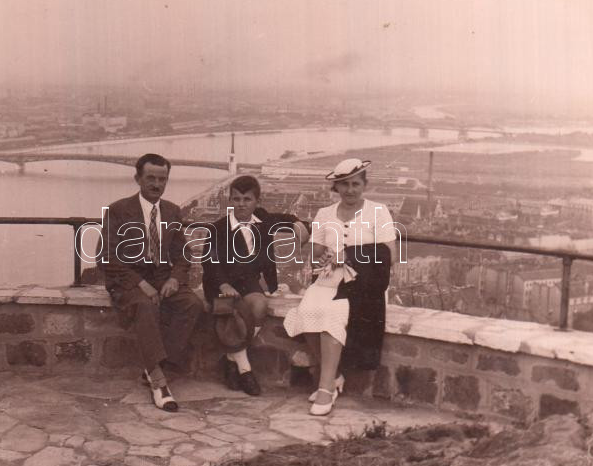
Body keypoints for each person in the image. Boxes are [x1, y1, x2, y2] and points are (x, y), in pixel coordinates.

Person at [283, 158, 397, 416]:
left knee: (332, 314)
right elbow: (314, 256)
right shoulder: (324, 214)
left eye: (356, 184)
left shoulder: (378, 211)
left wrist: (350, 256)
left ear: (365, 185)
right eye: (344, 185)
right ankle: (335, 378)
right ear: (336, 187)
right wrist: (321, 257)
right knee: (306, 311)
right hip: (327, 279)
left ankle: (324, 388)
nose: (350, 190)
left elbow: (388, 255)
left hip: (363, 284)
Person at [100, 153, 204, 412]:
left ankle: (154, 365)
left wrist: (175, 278)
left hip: (162, 279)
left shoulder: (172, 211)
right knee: (145, 306)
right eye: (151, 178)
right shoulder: (117, 210)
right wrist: (139, 283)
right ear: (138, 178)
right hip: (127, 280)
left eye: (162, 179)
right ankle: (159, 383)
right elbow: (106, 256)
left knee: (192, 304)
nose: (157, 184)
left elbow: (183, 254)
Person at [202, 175, 309, 396]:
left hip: (247, 282)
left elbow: (284, 218)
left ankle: (231, 358)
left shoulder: (263, 220)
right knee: (233, 310)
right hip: (219, 283)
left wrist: (297, 223)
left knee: (259, 305)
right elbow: (210, 262)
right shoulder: (217, 229)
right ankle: (245, 370)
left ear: (256, 202)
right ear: (230, 201)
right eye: (236, 199)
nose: (241, 204)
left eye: (247, 199)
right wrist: (223, 285)